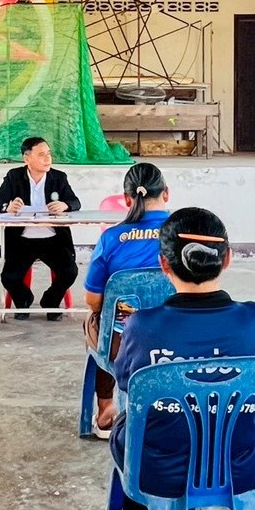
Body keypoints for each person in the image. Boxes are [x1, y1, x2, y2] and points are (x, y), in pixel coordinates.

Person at [103, 207, 255, 510]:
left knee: (138, 427)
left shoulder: (144, 325)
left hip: (162, 471)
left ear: (164, 264)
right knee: (165, 430)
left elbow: (126, 383)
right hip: (242, 465)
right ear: (227, 259)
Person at [82, 162, 172, 438]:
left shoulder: (111, 238)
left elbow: (93, 301)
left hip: (123, 347)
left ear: (127, 199)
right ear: (166, 194)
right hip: (175, 338)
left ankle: (107, 408)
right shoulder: (181, 234)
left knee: (102, 322)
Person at [0, 137, 82, 320]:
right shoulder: (14, 176)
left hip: (53, 239)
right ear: (27, 159)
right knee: (8, 277)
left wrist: (65, 205)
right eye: (41, 155)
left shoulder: (58, 177)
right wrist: (7, 207)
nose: (47, 158)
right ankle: (24, 300)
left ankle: (51, 302)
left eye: (48, 154)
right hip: (22, 240)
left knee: (70, 271)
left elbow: (75, 202)